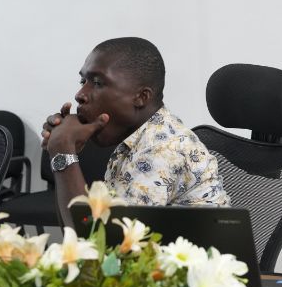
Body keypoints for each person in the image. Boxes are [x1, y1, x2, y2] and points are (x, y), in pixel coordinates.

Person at [41, 37, 229, 227]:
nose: (80, 94)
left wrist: (63, 150)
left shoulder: (163, 150)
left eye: (97, 82)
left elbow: (99, 243)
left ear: (141, 97)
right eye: (83, 81)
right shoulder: (139, 139)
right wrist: (62, 149)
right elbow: (76, 235)